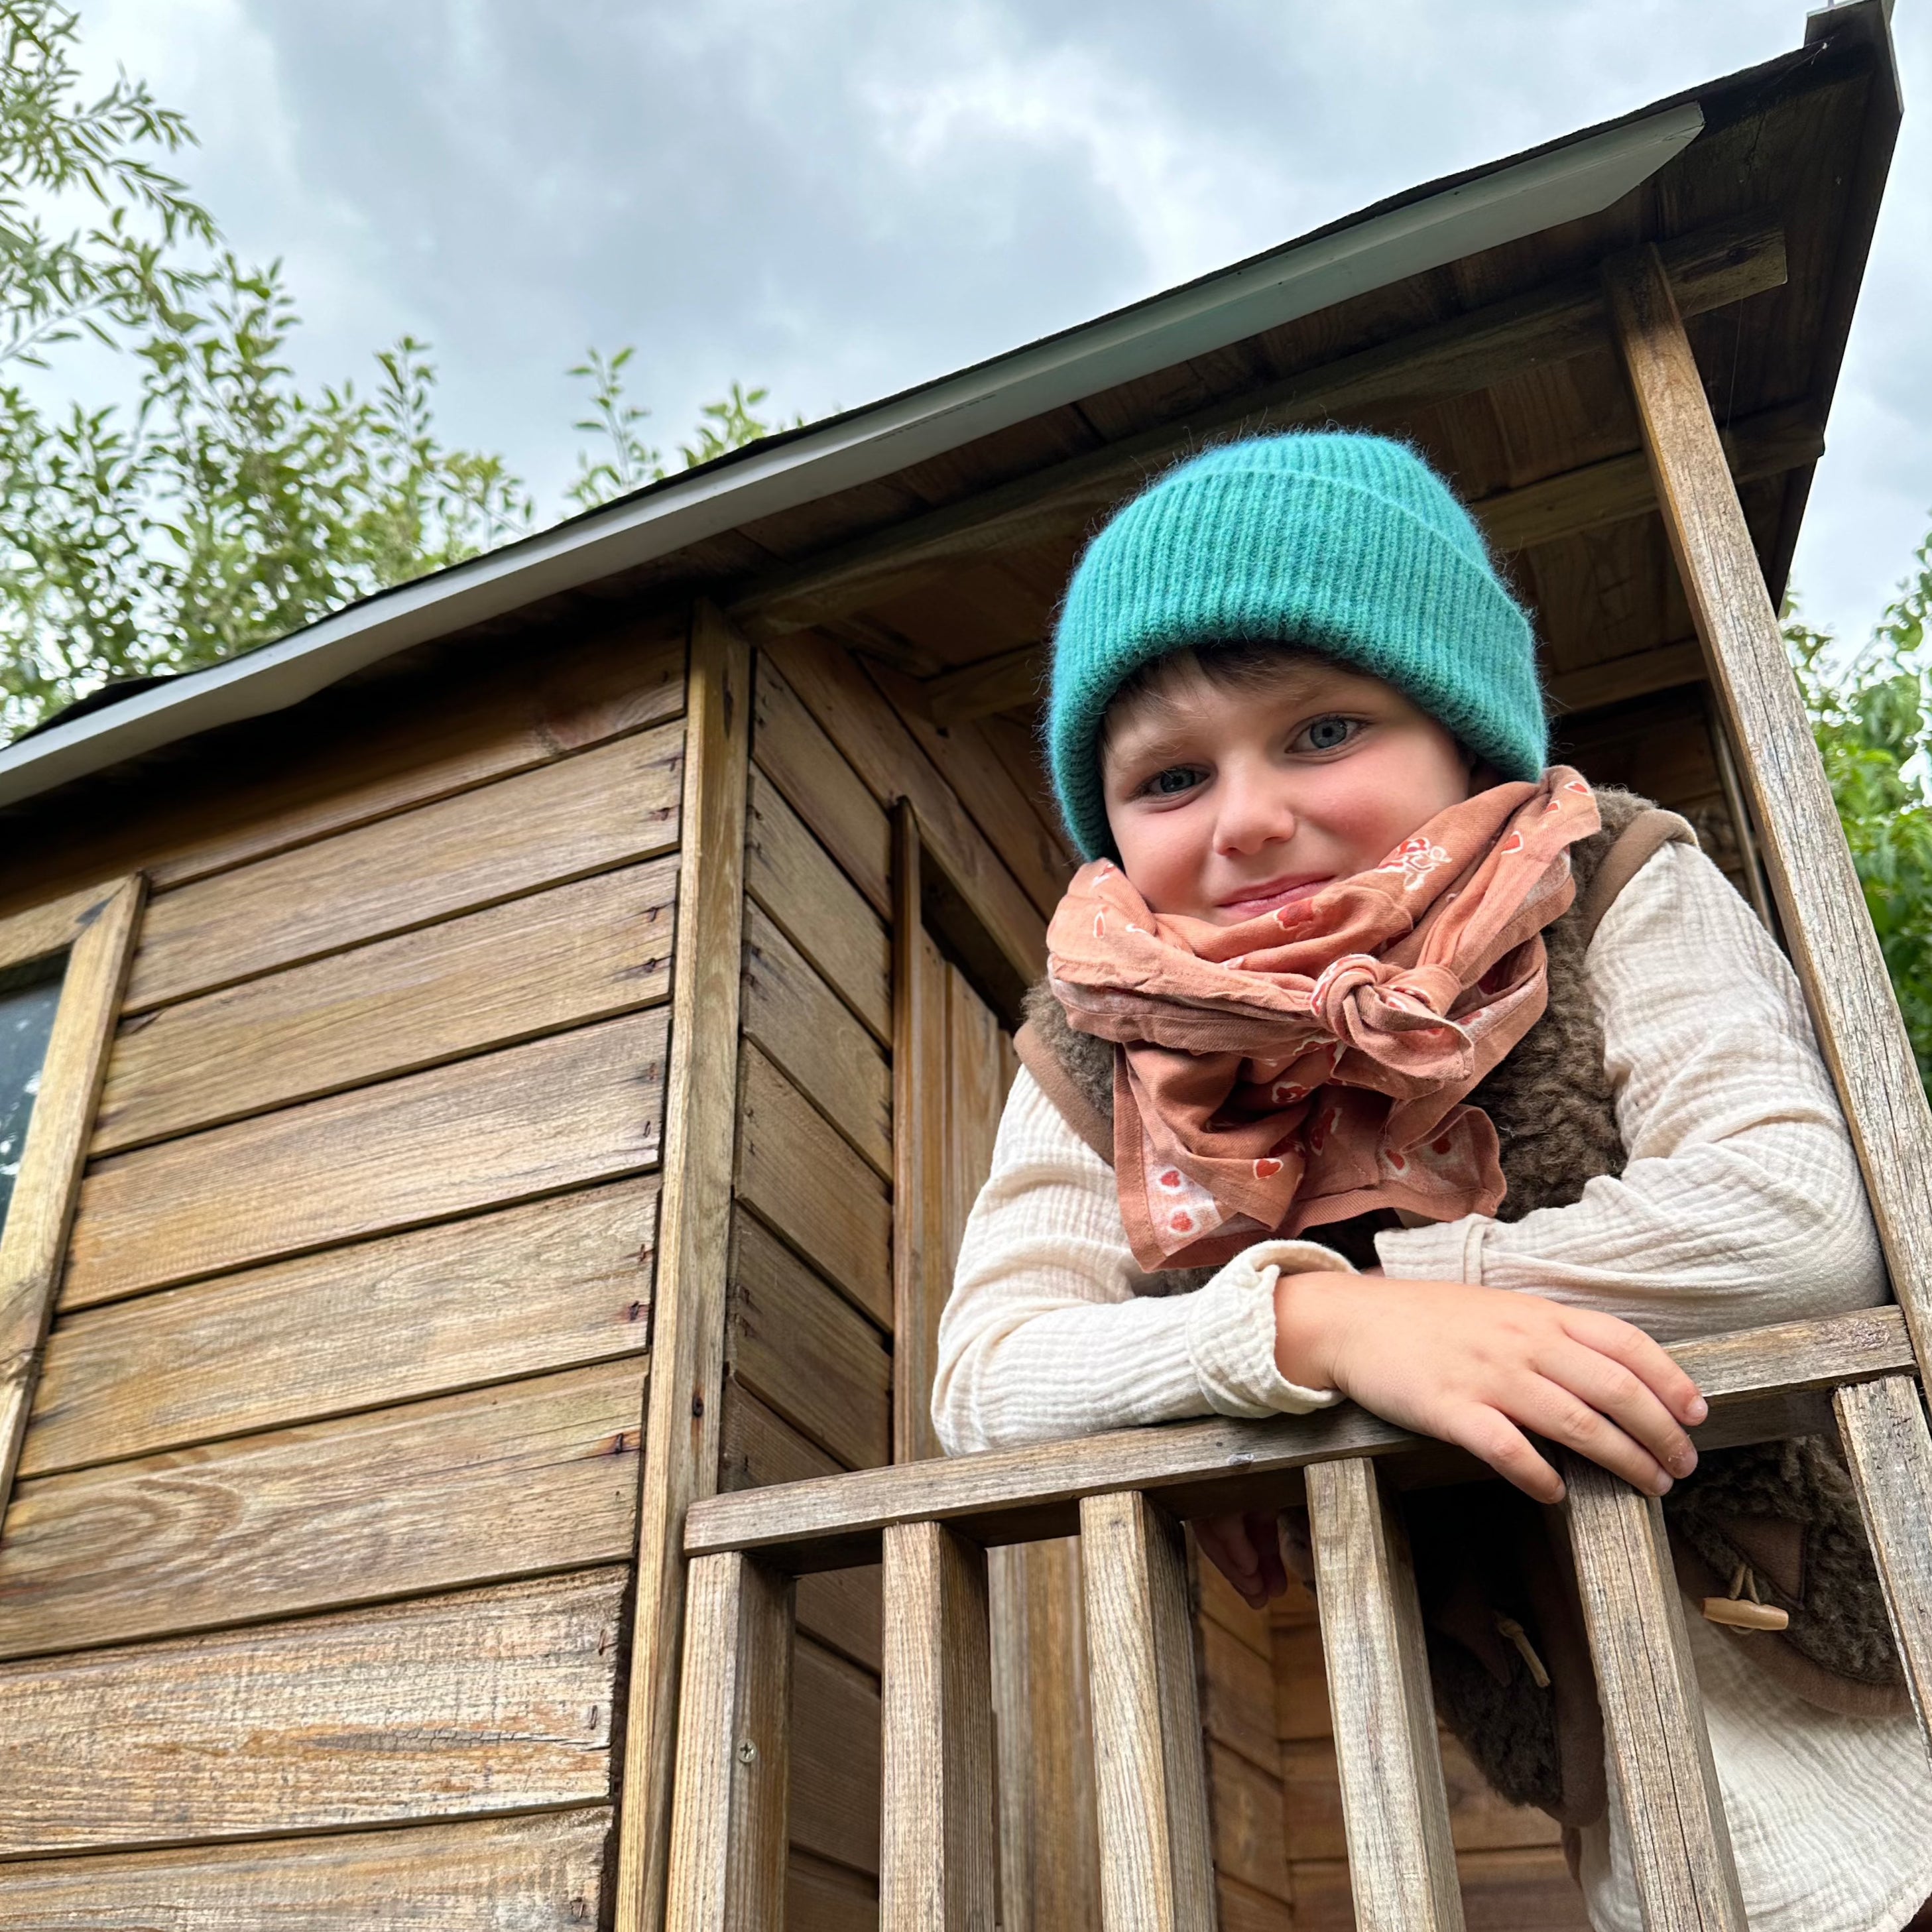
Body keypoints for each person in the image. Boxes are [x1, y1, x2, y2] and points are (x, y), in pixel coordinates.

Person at [931, 432, 1932, 1932]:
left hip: (1878, 1694)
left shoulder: (1604, 885)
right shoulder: (1103, 1028)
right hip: (1603, 1753)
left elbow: (1791, 1214)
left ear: (1463, 733)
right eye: (1169, 776)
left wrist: (1429, 1291)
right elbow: (989, 1376)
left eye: (1323, 730)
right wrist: (1311, 1336)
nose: (1245, 816)